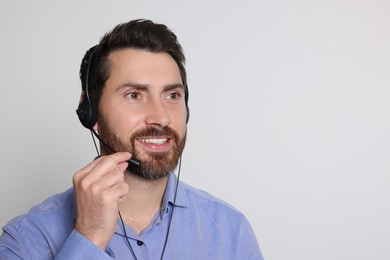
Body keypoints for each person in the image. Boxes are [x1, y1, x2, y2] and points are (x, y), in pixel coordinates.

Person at [0, 19, 263, 259]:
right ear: (89, 111)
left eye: (172, 96)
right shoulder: (24, 241)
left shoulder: (232, 232)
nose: (161, 117)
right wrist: (88, 238)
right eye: (135, 95)